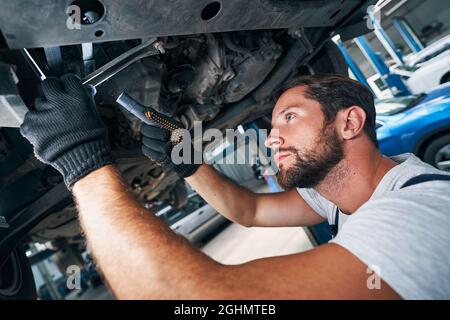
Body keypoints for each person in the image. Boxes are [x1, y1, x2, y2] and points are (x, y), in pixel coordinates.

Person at [20, 73, 450, 299]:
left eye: (290, 117)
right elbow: (251, 211)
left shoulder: (424, 210)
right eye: (273, 123)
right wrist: (190, 165)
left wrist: (83, 162)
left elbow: (193, 297)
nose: (272, 137)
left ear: (350, 122)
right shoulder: (339, 195)